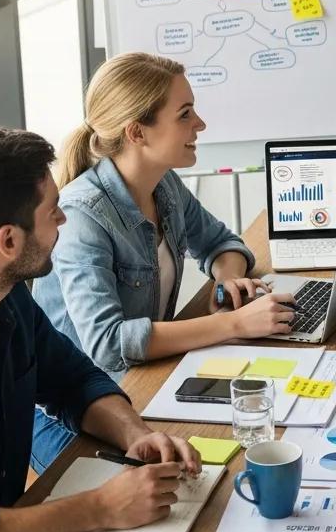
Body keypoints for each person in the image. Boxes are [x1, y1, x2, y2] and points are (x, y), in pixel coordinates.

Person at [0, 127, 201, 532]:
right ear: (8, 242)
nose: (63, 221)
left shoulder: (7, 298)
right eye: (53, 212)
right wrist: (97, 508)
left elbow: (72, 378)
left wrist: (133, 433)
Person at [31, 53, 298, 470]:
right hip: (75, 413)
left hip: (146, 378)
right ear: (137, 132)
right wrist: (233, 324)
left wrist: (228, 279)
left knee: (259, 430)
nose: (201, 124)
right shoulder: (83, 216)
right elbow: (108, 344)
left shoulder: (164, 184)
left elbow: (221, 242)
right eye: (186, 114)